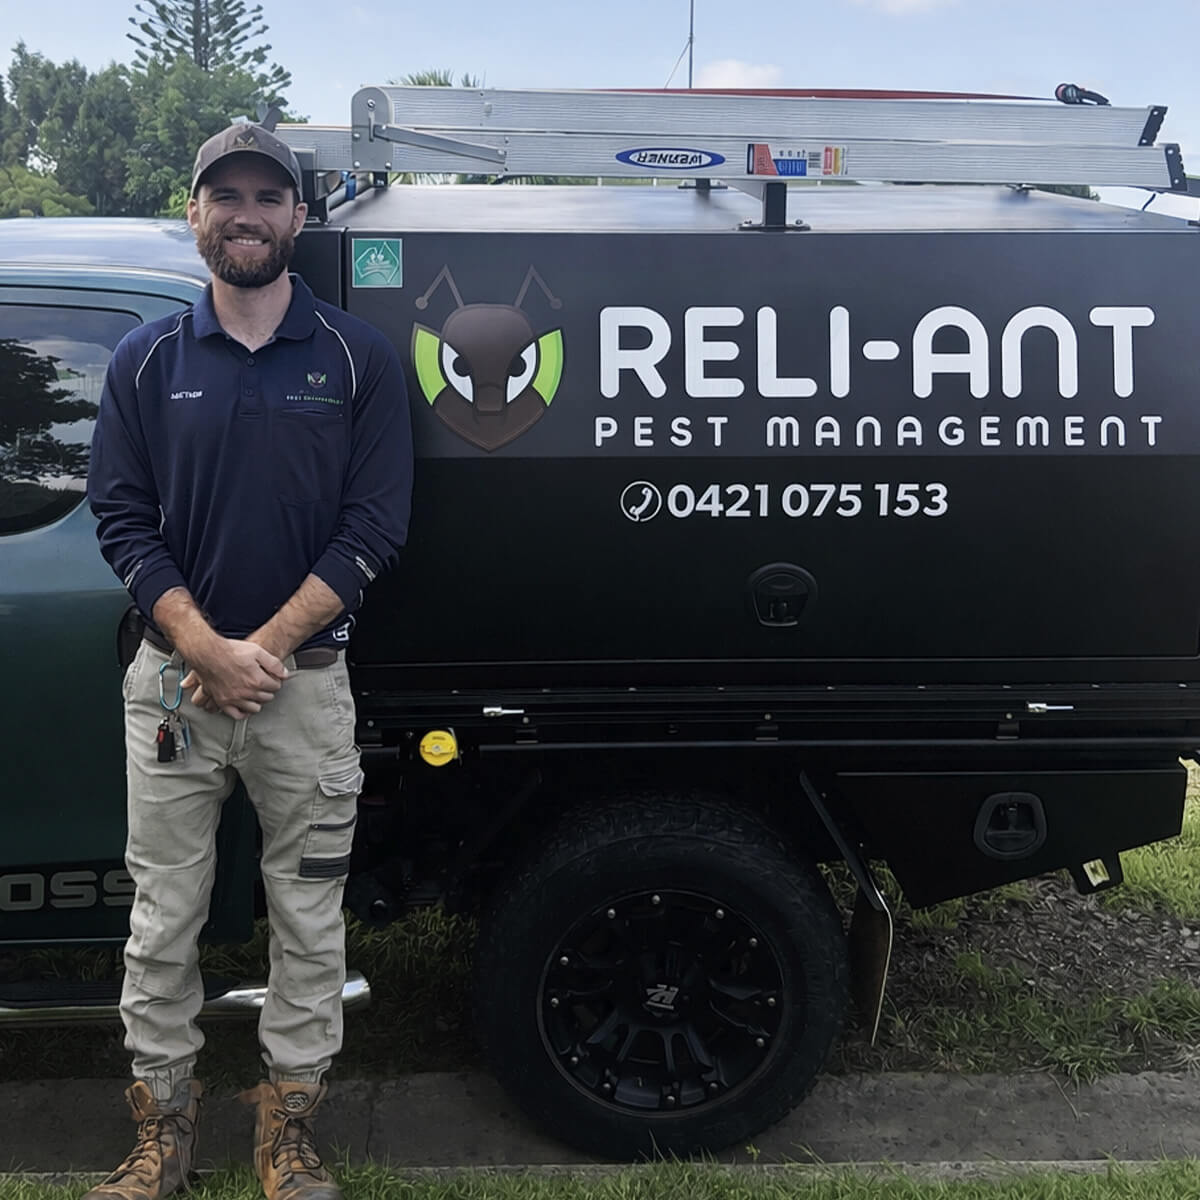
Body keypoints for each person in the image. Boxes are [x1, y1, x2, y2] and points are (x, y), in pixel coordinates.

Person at [84, 122, 413, 1200]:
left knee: (309, 918)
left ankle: (291, 1135)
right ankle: (161, 1139)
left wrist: (260, 652)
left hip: (304, 690)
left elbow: (375, 526)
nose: (246, 213)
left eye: (267, 196)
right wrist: (203, 649)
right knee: (161, 919)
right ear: (195, 215)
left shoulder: (358, 360)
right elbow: (123, 522)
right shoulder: (146, 363)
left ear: (299, 219)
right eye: (223, 194)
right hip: (173, 686)